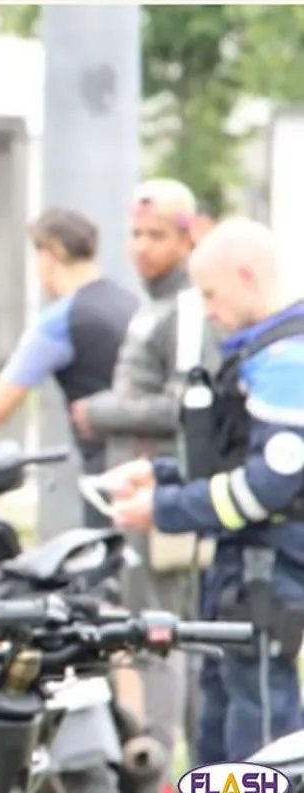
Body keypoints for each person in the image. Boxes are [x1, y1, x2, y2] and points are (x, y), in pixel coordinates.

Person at [110, 217, 304, 764]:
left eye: (211, 293)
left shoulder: (289, 360)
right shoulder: (261, 352)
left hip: (271, 577)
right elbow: (238, 456)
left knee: (262, 744)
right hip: (241, 571)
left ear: (246, 276)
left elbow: (270, 485)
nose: (207, 309)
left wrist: (166, 508)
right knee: (217, 733)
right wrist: (164, 477)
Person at [68, 178, 214, 787]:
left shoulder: (184, 308)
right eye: (135, 233)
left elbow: (188, 405)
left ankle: (168, 779)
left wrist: (101, 411)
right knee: (156, 635)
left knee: (161, 637)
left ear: (188, 238)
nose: (142, 247)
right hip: (140, 496)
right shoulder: (153, 303)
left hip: (165, 500)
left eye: (157, 235)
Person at [0, 207, 139, 517]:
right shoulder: (129, 302)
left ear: (50, 253)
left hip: (107, 478)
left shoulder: (62, 320)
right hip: (149, 470)